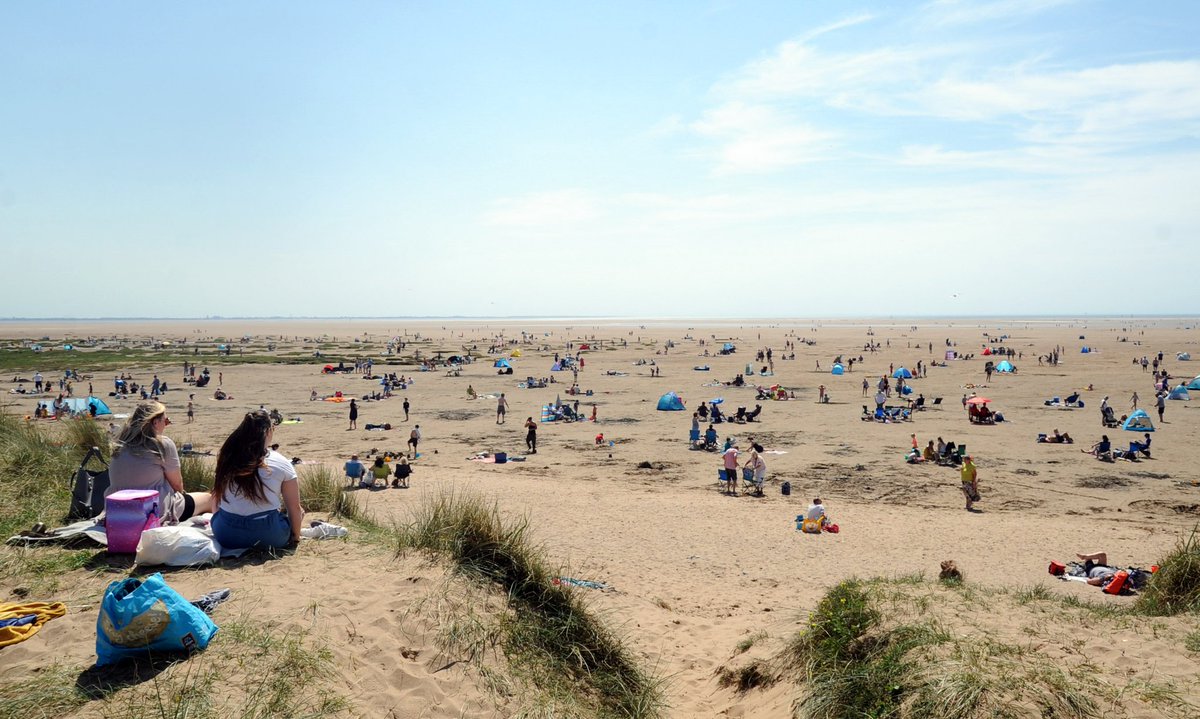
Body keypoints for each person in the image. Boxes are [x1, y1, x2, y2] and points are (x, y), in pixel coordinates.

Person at [210, 410, 303, 550]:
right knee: (295, 513)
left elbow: (216, 497)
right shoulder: (281, 462)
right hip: (269, 536)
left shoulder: (227, 456)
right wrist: (295, 538)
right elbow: (294, 508)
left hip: (226, 535)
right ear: (269, 431)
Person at [107, 401, 213, 524]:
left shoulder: (120, 444)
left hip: (117, 508)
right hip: (151, 508)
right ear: (155, 422)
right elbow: (177, 485)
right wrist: (182, 497)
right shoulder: (162, 444)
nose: (166, 425)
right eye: (165, 421)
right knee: (209, 499)